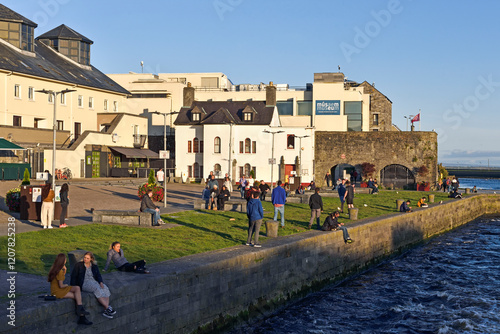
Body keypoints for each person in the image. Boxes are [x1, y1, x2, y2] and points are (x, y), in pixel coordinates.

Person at [48, 253, 92, 325]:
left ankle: (81, 312)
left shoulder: (55, 269)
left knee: (77, 289)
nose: (66, 260)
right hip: (58, 291)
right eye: (65, 259)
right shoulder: (59, 271)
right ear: (63, 261)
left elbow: (59, 279)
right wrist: (66, 285)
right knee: (77, 297)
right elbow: (61, 285)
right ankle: (82, 316)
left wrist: (64, 270)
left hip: (55, 290)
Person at [70, 252, 116, 319]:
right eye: (85, 257)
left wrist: (100, 282)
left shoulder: (94, 266)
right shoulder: (79, 265)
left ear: (91, 259)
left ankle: (106, 310)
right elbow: (73, 276)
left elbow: (98, 275)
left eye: (87, 258)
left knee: (105, 288)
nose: (85, 259)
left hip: (93, 281)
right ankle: (107, 307)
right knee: (96, 288)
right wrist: (73, 286)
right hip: (84, 283)